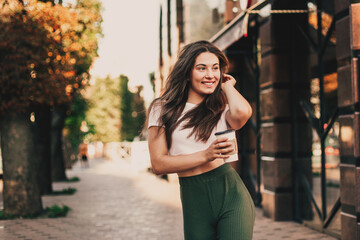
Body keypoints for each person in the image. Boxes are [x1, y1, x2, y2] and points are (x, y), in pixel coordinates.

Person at [146, 40, 255, 239]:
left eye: (215, 68)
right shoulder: (162, 109)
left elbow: (243, 113)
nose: (210, 75)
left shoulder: (221, 107)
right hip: (193, 203)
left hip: (231, 195)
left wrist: (227, 86)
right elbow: (159, 164)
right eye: (201, 68)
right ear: (187, 72)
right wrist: (206, 154)